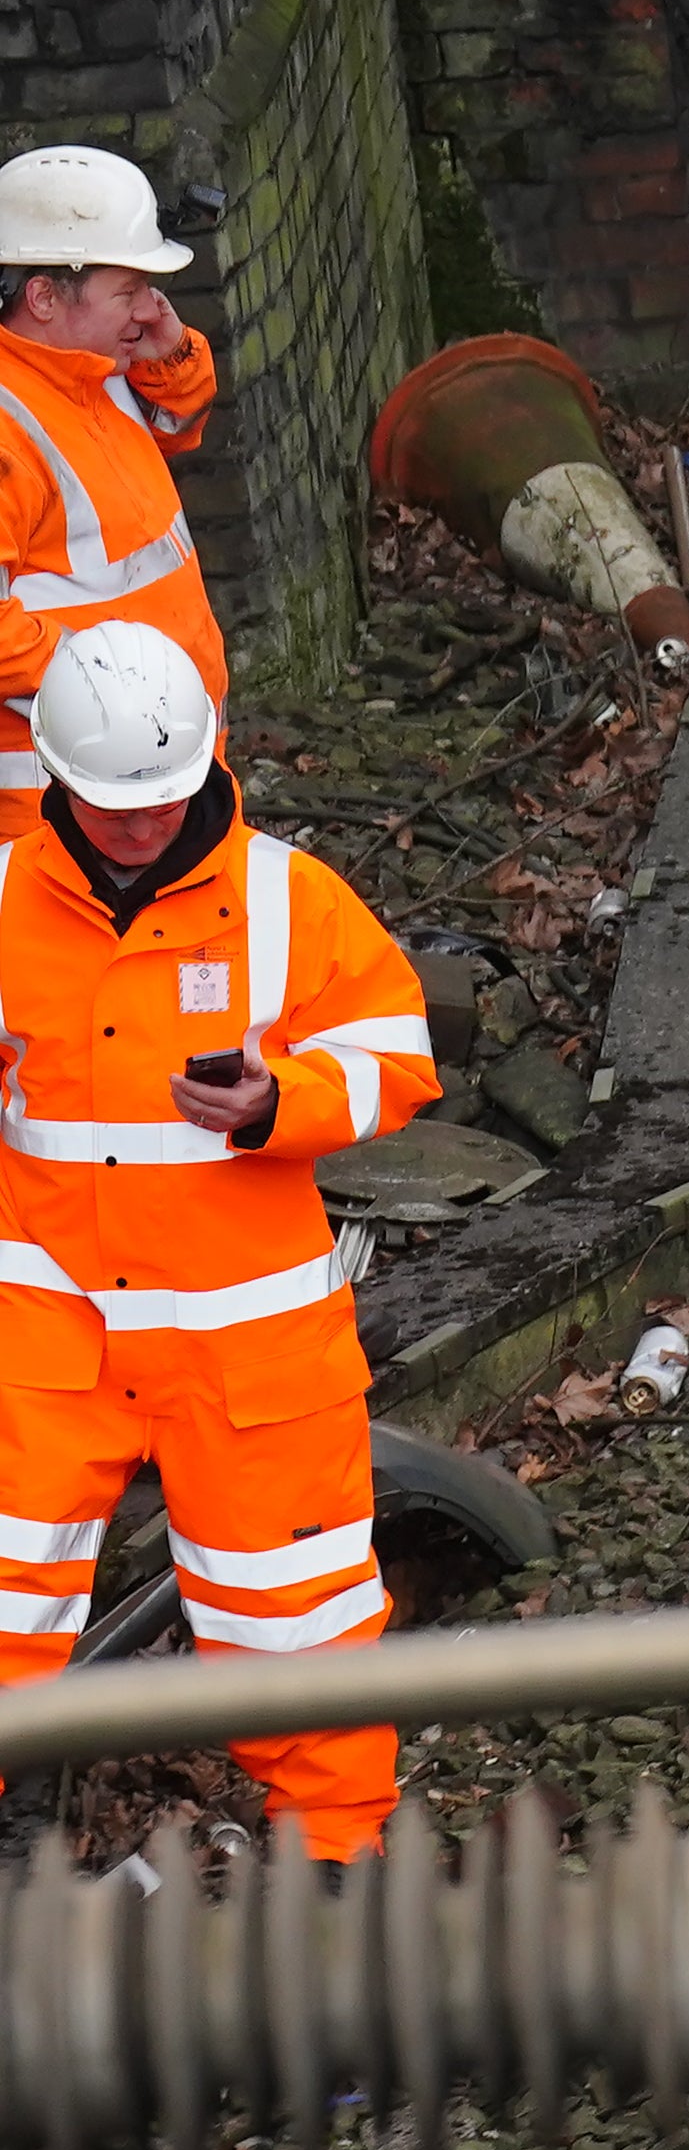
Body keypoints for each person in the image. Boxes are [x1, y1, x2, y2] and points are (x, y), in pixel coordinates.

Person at [0, 622, 435, 1861]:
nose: (140, 827)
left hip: (245, 1346)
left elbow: (395, 1055)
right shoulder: (3, 903)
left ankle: (340, 1870)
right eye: (112, 808)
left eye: (161, 802)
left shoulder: (291, 900)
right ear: (56, 783)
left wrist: (278, 1102)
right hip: (49, 1332)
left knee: (293, 1620)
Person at [0, 148, 226, 802]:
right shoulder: (13, 430)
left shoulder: (86, 372)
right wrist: (111, 682)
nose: (150, 309)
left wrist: (171, 348)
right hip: (67, 811)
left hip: (148, 776)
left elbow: (178, 425)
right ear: (43, 295)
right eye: (129, 291)